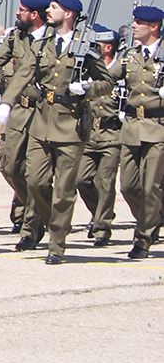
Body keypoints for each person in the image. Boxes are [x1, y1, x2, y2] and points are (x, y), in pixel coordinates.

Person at [16, 0, 114, 263]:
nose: (48, 10)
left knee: (64, 190)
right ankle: (54, 222)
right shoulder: (42, 43)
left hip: (70, 125)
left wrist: (87, 88)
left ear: (68, 14)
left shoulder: (85, 47)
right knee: (34, 181)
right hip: (41, 122)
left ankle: (56, 244)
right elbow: (24, 74)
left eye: (54, 7)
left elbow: (106, 83)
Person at [0, 0, 51, 234]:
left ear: (35, 14)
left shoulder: (52, 39)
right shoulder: (16, 37)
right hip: (19, 110)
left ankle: (32, 221)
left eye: (22, 9)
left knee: (37, 173)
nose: (17, 13)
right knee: (10, 167)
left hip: (44, 112)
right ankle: (39, 210)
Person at [117, 5, 164, 259]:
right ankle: (154, 217)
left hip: (158, 129)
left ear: (154, 26)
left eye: (139, 23)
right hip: (132, 128)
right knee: (128, 186)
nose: (133, 26)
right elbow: (108, 77)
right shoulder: (130, 55)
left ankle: (143, 237)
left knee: (151, 187)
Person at [76, 27, 122, 246]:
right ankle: (100, 213)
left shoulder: (120, 69)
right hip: (89, 131)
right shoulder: (87, 68)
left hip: (112, 132)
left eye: (98, 44)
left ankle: (102, 228)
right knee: (81, 179)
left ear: (109, 46)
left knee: (105, 181)